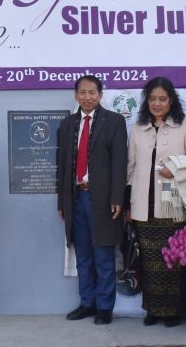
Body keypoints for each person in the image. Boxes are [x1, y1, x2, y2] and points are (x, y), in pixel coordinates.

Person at [126, 77, 186, 327]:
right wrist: (128, 203)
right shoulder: (138, 128)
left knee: (172, 259)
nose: (157, 103)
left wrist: (174, 168)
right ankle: (152, 309)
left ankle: (173, 311)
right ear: (146, 101)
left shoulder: (184, 126)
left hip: (173, 201)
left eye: (162, 99)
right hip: (144, 204)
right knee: (150, 260)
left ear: (171, 100)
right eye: (152, 99)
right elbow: (130, 167)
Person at [57, 75, 127, 326]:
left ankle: (105, 307)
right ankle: (87, 303)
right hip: (75, 199)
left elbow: (120, 163)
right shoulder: (66, 125)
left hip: (103, 200)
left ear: (100, 95)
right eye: (82, 92)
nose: (87, 97)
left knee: (103, 256)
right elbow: (62, 166)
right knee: (84, 257)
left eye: (92, 92)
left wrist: (118, 198)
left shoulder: (115, 122)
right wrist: (62, 202)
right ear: (75, 95)